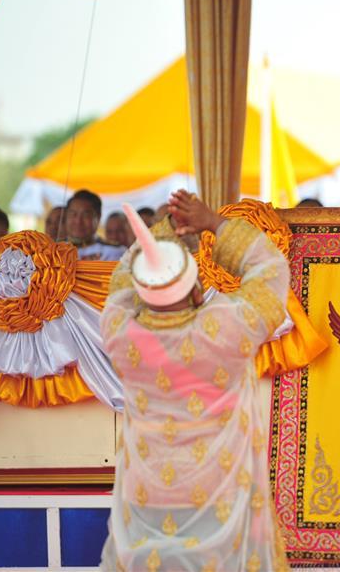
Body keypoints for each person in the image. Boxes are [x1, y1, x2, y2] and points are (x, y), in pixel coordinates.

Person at [99, 190, 289, 572]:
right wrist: (211, 223)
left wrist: (165, 230)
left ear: (142, 292)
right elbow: (271, 269)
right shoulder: (225, 327)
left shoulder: (120, 333)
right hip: (219, 498)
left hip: (148, 497)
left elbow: (121, 282)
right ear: (199, 290)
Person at [65, 189, 126, 260]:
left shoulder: (114, 251)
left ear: (98, 217)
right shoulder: (56, 249)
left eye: (86, 215)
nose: (78, 221)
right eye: (73, 214)